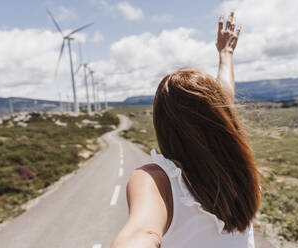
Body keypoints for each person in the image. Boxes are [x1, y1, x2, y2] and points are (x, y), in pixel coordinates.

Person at [111, 12, 261, 248]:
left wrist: (225, 54)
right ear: (221, 121)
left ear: (162, 124)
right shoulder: (235, 170)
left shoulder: (156, 179)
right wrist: (226, 55)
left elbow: (142, 233)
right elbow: (223, 100)